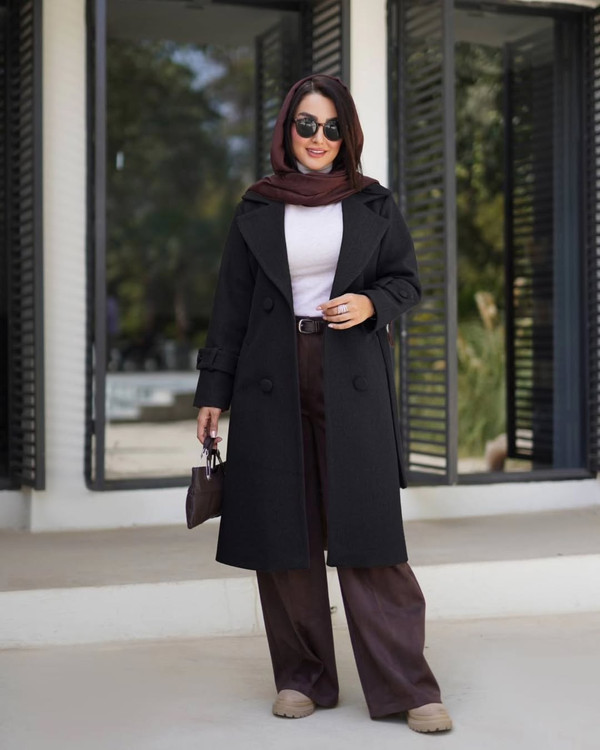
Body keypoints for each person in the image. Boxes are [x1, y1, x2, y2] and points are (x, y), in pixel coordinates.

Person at [194, 74, 452, 733]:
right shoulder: (257, 205)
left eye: (332, 128)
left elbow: (406, 281)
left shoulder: (373, 202)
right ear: (287, 130)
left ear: (348, 135)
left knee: (369, 532)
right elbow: (230, 308)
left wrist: (370, 303)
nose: (318, 138)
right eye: (306, 124)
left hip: (351, 375)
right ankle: (302, 678)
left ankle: (407, 686)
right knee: (285, 534)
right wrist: (213, 393)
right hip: (269, 379)